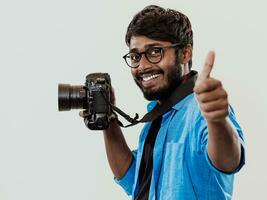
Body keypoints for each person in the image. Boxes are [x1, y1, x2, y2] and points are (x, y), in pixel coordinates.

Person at [82, 5, 245, 200]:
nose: (142, 66)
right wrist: (108, 121)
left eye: (154, 52)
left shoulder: (202, 110)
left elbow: (228, 161)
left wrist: (218, 121)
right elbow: (135, 180)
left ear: (185, 53)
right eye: (135, 56)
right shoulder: (157, 117)